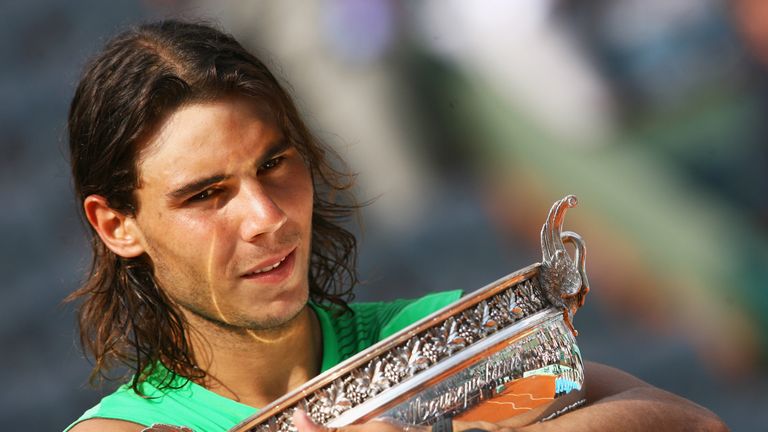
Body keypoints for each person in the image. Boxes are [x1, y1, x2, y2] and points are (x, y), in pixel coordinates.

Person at [64, 20, 727, 432]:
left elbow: (692, 424)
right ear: (118, 224)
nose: (267, 217)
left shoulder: (443, 348)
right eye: (206, 196)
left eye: (274, 165)